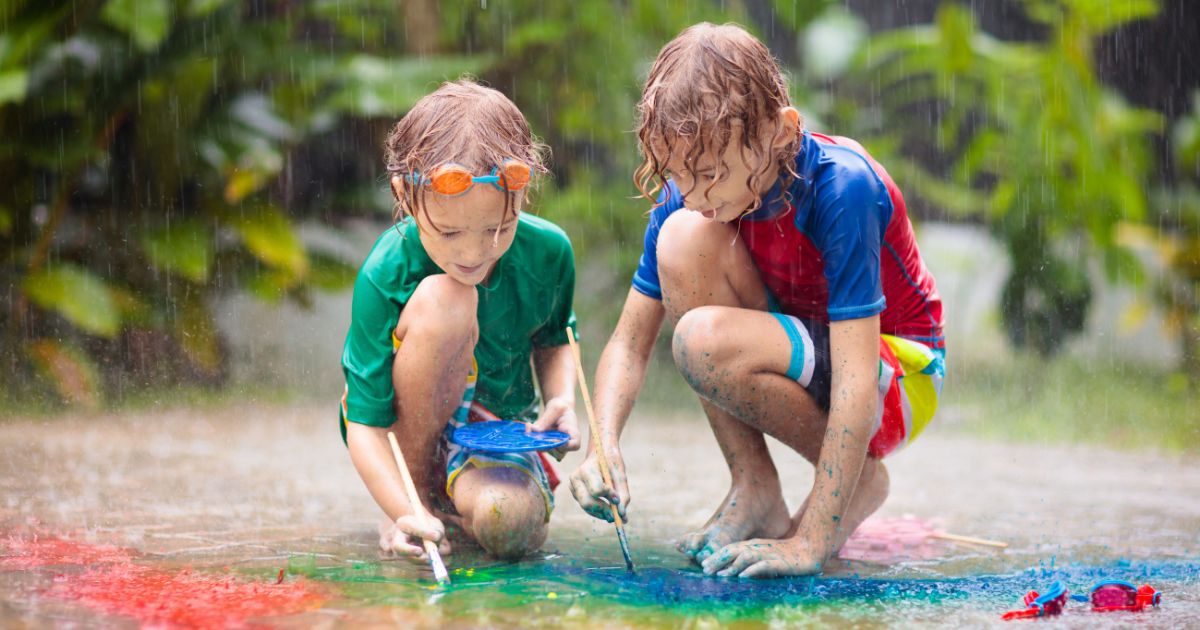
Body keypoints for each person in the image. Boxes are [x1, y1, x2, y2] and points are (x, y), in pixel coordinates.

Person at [569, 23, 946, 578]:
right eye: (678, 174)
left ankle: (854, 482)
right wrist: (603, 446)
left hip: (899, 373)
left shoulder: (844, 187)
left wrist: (812, 539)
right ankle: (755, 486)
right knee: (681, 238)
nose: (694, 194)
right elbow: (628, 343)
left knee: (702, 341)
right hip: (806, 344)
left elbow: (856, 378)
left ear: (781, 131)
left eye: (711, 174)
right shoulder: (692, 197)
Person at [340, 80, 580, 563]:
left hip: (492, 432)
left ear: (523, 193)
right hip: (405, 435)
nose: (473, 253)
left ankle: (460, 500)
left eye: (497, 229)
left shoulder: (550, 252)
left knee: (508, 526)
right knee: (447, 297)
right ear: (404, 197)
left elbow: (555, 341)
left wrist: (562, 399)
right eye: (449, 232)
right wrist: (402, 507)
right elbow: (363, 422)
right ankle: (419, 498)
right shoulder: (386, 270)